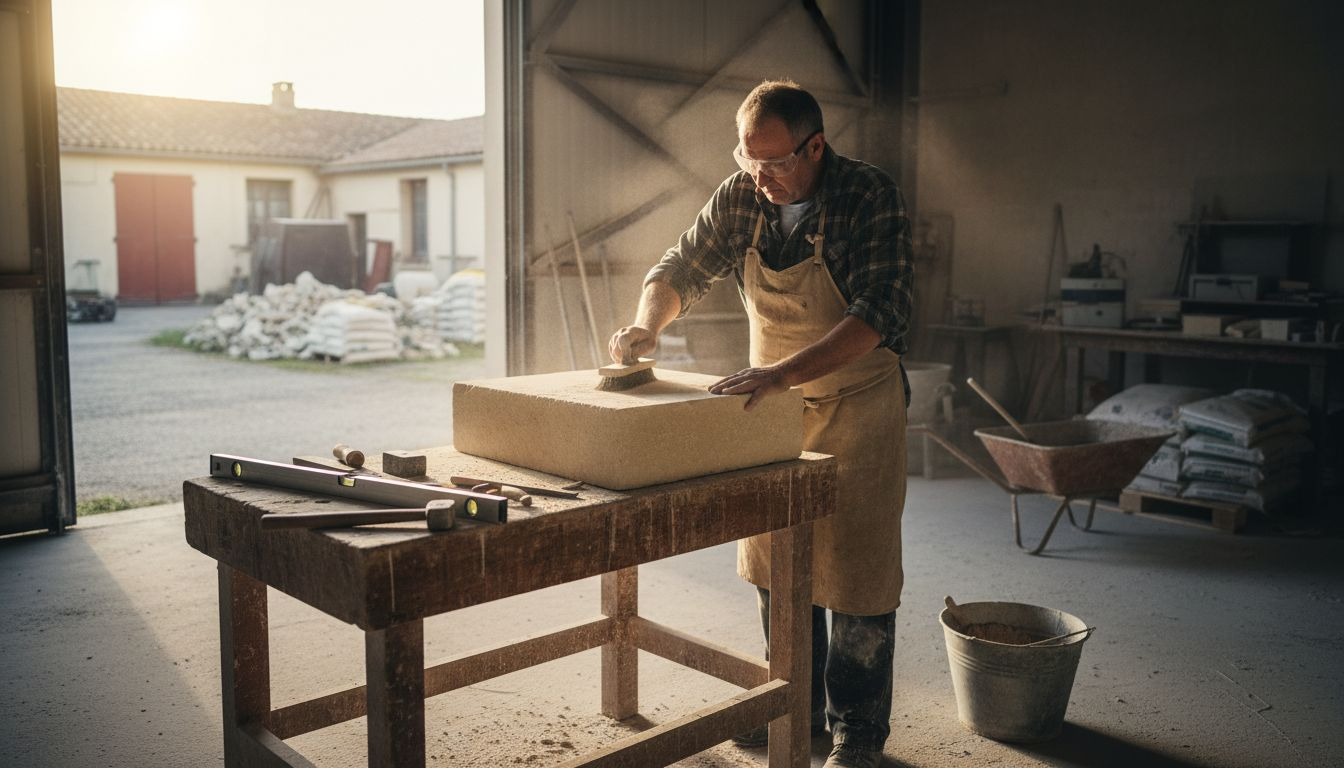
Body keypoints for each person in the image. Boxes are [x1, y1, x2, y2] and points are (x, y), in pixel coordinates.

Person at [608, 79, 914, 768]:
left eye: (775, 163)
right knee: (777, 562)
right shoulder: (741, 193)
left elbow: (878, 313)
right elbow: (680, 265)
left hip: (857, 404)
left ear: (815, 146)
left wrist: (781, 373)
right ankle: (788, 703)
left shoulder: (869, 197)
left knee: (857, 568)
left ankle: (857, 731)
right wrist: (646, 324)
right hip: (769, 407)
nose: (761, 177)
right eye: (750, 159)